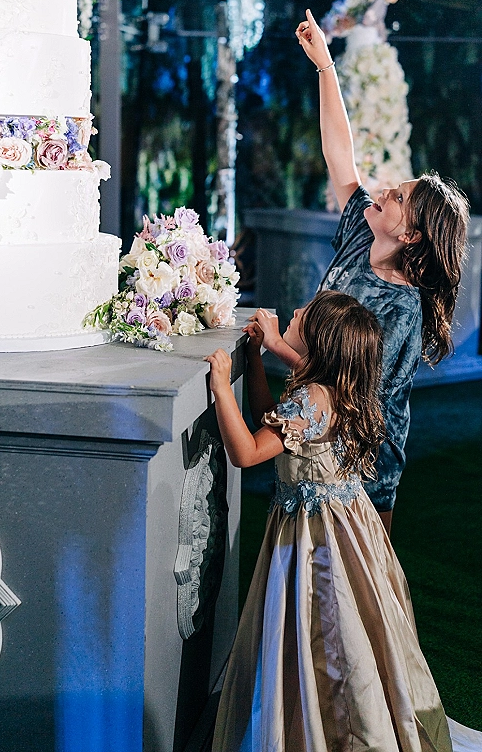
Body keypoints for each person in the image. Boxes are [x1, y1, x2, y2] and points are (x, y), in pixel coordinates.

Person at [247, 7, 470, 534]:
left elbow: (355, 396)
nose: (384, 191)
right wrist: (325, 65)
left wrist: (280, 348)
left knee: (357, 598)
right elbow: (340, 155)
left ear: (411, 236)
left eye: (397, 198)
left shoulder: (403, 309)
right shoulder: (360, 231)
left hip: (363, 473)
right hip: (313, 437)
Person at [206, 290, 453, 752]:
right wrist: (259, 357)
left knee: (327, 635)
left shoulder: (314, 399)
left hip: (321, 540)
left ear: (317, 343)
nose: (295, 313)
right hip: (340, 523)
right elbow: (268, 422)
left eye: (303, 316)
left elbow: (246, 451)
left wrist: (221, 387)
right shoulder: (321, 387)